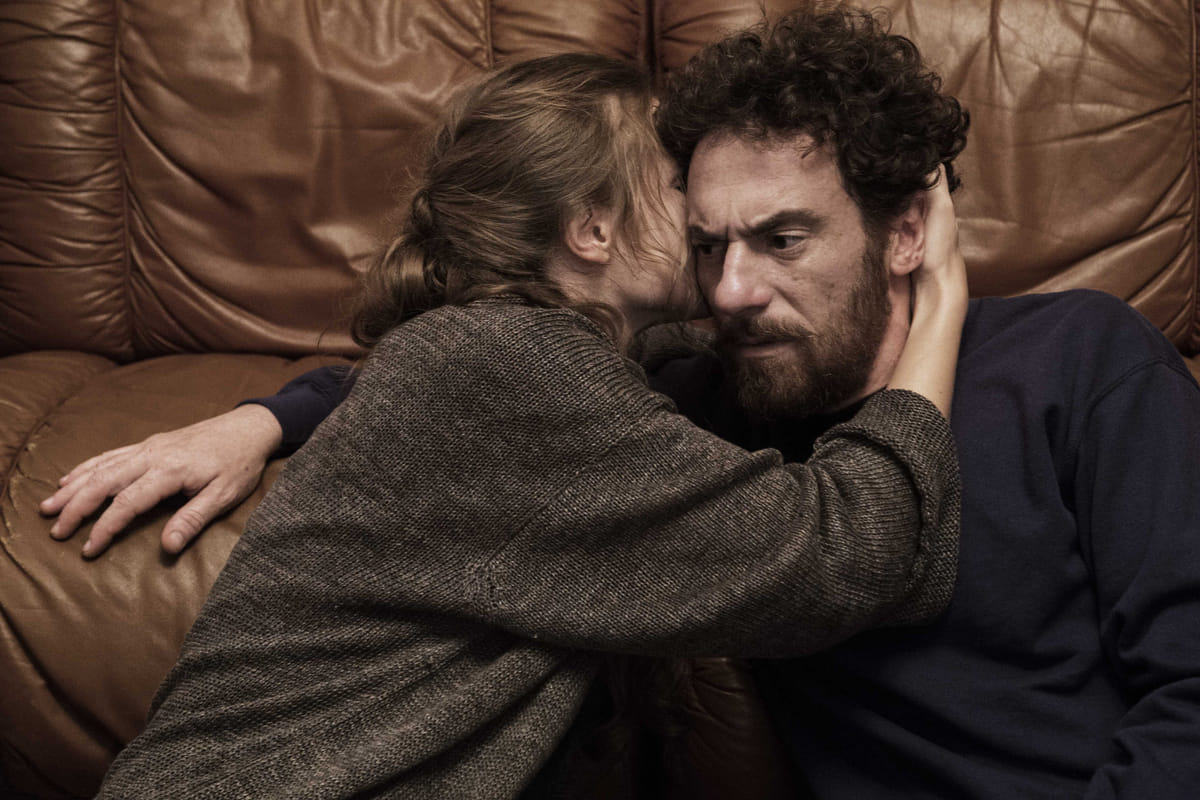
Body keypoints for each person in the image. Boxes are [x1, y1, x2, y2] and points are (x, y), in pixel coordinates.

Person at [52, 6, 1200, 797]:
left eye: (783, 238)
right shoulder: (702, 390)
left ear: (907, 230)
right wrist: (266, 415)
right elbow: (461, 386)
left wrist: (947, 307)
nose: (731, 290)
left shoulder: (1082, 358)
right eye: (707, 242)